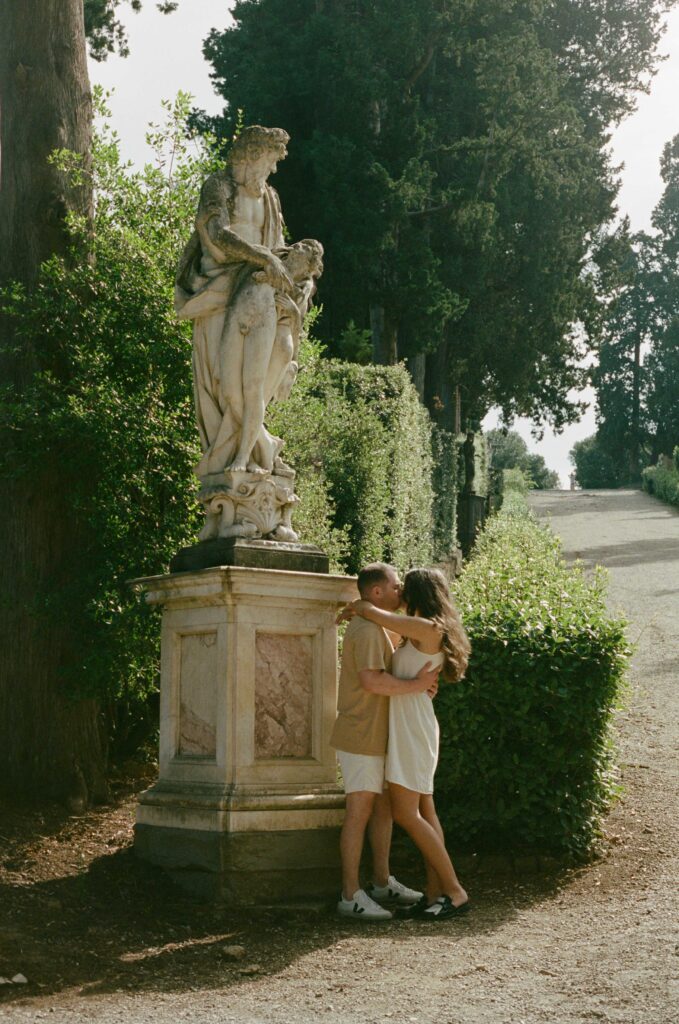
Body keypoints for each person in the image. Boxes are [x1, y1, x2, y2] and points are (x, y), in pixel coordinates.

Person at [175, 125, 323, 479]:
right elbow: (215, 234)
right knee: (224, 388)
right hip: (219, 295)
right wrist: (262, 258)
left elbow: (284, 252)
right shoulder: (219, 186)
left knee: (257, 385)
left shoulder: (270, 197)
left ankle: (251, 456)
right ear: (253, 155)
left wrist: (305, 287)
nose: (272, 171)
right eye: (271, 161)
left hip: (261, 294)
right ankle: (254, 450)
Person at [339, 567, 471, 921]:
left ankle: (454, 891)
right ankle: (434, 892)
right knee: (424, 810)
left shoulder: (427, 627)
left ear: (417, 593)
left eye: (403, 587)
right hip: (409, 723)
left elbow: (373, 611)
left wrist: (355, 606)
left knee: (407, 813)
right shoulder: (420, 629)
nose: (399, 593)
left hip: (412, 727)